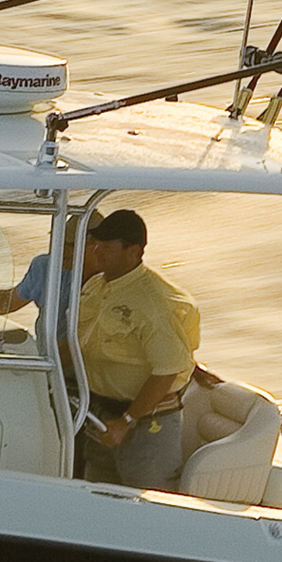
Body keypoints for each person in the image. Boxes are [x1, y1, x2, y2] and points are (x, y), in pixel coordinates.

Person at [73, 208, 199, 490]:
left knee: (146, 502)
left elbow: (167, 371)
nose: (97, 251)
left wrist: (126, 421)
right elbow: (81, 342)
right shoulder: (96, 284)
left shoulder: (154, 303)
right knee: (97, 495)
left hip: (145, 424)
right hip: (101, 415)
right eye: (95, 244)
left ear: (134, 251)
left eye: (107, 245)